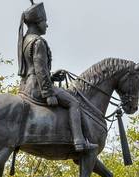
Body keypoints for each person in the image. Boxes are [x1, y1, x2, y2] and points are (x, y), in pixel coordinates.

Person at [17, 1, 98, 152]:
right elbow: (40, 69)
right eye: (45, 22)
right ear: (37, 22)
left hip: (26, 85)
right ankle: (79, 141)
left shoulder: (25, 40)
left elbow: (33, 69)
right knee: (74, 102)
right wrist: (48, 93)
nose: (46, 25)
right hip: (37, 87)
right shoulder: (38, 41)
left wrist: (52, 77)